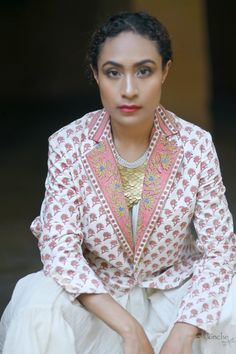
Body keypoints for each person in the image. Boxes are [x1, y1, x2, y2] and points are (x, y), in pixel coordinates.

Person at [0, 11, 235, 354]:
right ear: (96, 75)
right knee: (35, 305)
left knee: (230, 308)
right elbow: (59, 248)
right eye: (113, 73)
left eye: (144, 71)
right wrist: (127, 327)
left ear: (165, 71)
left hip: (175, 293)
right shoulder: (69, 144)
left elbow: (219, 250)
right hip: (98, 298)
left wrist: (185, 330)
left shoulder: (194, 145)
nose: (129, 89)